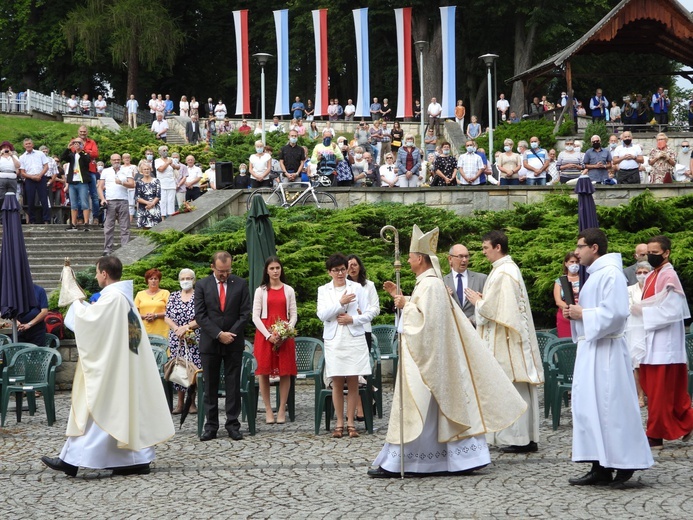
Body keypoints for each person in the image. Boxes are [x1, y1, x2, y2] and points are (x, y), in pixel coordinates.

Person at [368, 225, 526, 478]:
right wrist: (405, 300)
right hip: (428, 360)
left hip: (427, 363)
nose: (408, 262)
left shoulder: (430, 285)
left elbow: (426, 325)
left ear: (419, 258)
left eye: (410, 257)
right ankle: (442, 460)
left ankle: (413, 462)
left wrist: (406, 305)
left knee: (424, 411)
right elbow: (425, 315)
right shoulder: (428, 284)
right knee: (435, 414)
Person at [41, 256, 174, 477]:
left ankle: (71, 461)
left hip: (114, 368)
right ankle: (134, 461)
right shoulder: (124, 298)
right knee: (119, 413)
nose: (95, 276)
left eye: (96, 272)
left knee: (98, 410)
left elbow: (90, 322)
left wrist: (75, 300)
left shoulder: (113, 298)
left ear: (104, 274)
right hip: (123, 364)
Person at [564, 228, 653, 486]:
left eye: (580, 246)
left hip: (608, 353)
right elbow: (595, 310)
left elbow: (615, 314)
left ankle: (626, 464)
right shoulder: (596, 275)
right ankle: (599, 465)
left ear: (594, 248)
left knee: (613, 408)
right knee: (590, 409)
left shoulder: (611, 274)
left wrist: (584, 315)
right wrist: (576, 314)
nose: (577, 252)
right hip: (593, 349)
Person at [466, 230, 543, 453]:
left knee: (513, 387)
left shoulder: (504, 273)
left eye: (485, 248)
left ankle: (519, 439)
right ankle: (524, 437)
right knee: (515, 387)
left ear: (498, 247)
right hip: (507, 339)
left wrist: (478, 302)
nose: (483, 253)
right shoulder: (505, 270)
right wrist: (484, 301)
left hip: (507, 342)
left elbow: (500, 311)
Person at [636, 235, 693, 449]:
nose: (650, 256)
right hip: (651, 340)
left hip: (664, 345)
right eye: (647, 252)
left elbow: (672, 311)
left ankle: (655, 434)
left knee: (661, 392)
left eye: (654, 253)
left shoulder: (669, 276)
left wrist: (643, 312)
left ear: (666, 253)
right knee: (657, 390)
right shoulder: (652, 275)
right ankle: (687, 421)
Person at [195, 251, 251, 441]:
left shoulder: (241, 284)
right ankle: (210, 426)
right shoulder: (202, 285)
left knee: (233, 384)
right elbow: (201, 315)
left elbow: (245, 313)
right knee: (209, 385)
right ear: (212, 267)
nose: (224, 275)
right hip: (210, 342)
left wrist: (230, 334)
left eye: (227, 271)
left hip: (233, 342)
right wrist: (219, 334)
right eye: (221, 271)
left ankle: (233, 425)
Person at [317, 253, 374, 438]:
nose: (340, 273)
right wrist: (340, 303)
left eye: (343, 269)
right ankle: (339, 423)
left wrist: (353, 319)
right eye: (336, 270)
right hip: (334, 340)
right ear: (329, 272)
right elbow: (323, 315)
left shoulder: (356, 288)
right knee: (337, 382)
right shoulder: (324, 290)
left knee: (353, 381)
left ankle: (351, 423)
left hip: (354, 338)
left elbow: (371, 312)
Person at [252, 257, 298, 425]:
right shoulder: (261, 291)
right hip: (265, 334)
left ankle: (281, 410)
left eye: (278, 267)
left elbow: (293, 314)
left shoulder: (289, 290)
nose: (275, 271)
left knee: (285, 372)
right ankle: (268, 410)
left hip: (284, 334)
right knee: (264, 372)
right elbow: (255, 316)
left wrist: (286, 331)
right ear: (267, 270)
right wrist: (268, 335)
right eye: (272, 268)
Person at [164, 268, 201, 415]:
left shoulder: (199, 296)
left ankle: (191, 403)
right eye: (183, 278)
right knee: (178, 369)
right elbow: (167, 316)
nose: (185, 281)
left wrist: (186, 328)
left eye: (189, 278)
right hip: (176, 339)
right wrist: (176, 329)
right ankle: (179, 404)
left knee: (192, 370)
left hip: (193, 338)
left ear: (194, 280)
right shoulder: (173, 296)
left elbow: (202, 317)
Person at [626, 260, 653, 408]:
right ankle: (640, 395)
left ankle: (651, 393)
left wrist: (643, 309)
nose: (642, 275)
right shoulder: (629, 289)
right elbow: (629, 306)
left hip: (650, 327)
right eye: (639, 272)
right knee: (637, 364)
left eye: (645, 272)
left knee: (650, 362)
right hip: (635, 328)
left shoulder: (653, 288)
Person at [98, 154, 134, 256]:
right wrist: (102, 199)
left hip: (123, 200)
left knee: (125, 226)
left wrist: (122, 183)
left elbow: (132, 184)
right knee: (108, 226)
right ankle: (107, 249)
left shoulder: (126, 170)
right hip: (110, 201)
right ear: (111, 160)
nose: (116, 161)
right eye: (114, 160)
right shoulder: (106, 171)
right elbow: (100, 187)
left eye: (118, 160)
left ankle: (125, 248)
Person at [443, 244, 487, 327]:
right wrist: (444, 299)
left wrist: (472, 320)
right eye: (460, 256)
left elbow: (488, 306)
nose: (464, 260)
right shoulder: (442, 282)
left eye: (466, 257)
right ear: (450, 259)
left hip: (475, 331)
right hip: (452, 330)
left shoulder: (482, 279)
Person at [60, 137, 92, 231]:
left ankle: (86, 223)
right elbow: (63, 158)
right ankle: (73, 223)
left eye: (79, 143)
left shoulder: (85, 154)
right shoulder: (71, 155)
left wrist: (80, 151)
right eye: (75, 143)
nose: (76, 144)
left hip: (82, 182)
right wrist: (68, 148)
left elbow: (87, 161)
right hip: (72, 182)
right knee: (73, 204)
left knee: (84, 203)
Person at [19, 138, 50, 224]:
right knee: (30, 200)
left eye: (29, 143)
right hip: (29, 179)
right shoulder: (22, 157)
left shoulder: (40, 154)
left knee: (44, 199)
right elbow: (22, 172)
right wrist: (32, 177)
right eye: (26, 144)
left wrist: (39, 175)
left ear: (32, 144)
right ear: (24, 146)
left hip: (41, 178)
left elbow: (46, 166)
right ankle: (32, 220)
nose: (28, 145)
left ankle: (46, 219)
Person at [134, 269, 170, 338]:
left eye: (155, 279)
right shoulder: (140, 294)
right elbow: (134, 313)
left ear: (159, 280)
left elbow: (170, 312)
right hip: (144, 330)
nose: (153, 281)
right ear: (147, 281)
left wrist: (155, 315)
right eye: (151, 279)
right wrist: (144, 316)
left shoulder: (165, 293)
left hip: (162, 330)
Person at [553, 252, 580, 338]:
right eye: (572, 262)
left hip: (581, 314)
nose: (574, 264)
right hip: (565, 316)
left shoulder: (584, 279)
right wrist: (570, 310)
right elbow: (558, 301)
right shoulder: (560, 281)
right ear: (566, 263)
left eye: (576, 262)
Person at [134, 162, 161, 229]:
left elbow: (158, 195)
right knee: (145, 230)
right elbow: (137, 197)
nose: (146, 171)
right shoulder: (138, 182)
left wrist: (152, 204)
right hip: (143, 207)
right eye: (145, 169)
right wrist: (148, 203)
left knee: (156, 229)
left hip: (155, 207)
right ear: (141, 171)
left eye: (148, 169)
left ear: (150, 170)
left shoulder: (156, 181)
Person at [154, 145, 178, 219]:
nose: (165, 152)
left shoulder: (171, 159)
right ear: (159, 152)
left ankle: (171, 216)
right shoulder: (157, 160)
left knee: (171, 200)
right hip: (161, 183)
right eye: (164, 150)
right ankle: (162, 218)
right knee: (162, 201)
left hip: (171, 182)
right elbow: (161, 169)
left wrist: (172, 164)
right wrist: (167, 163)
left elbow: (178, 167)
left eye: (166, 150)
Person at [0, 141, 21, 206]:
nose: (6, 149)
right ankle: (2, 212)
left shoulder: (14, 156)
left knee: (12, 195)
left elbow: (18, 166)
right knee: (1, 196)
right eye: (4, 147)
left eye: (7, 147)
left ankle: (11, 212)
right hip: (2, 177)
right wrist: (1, 154)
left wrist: (11, 155)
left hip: (12, 177)